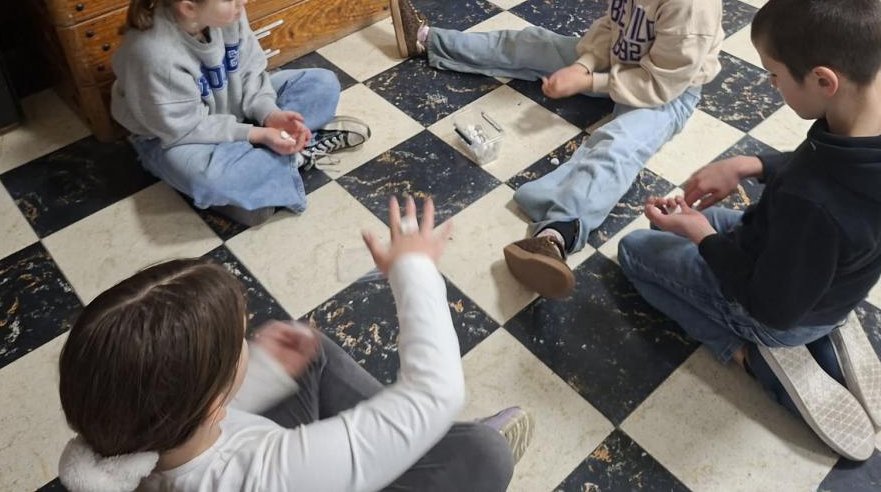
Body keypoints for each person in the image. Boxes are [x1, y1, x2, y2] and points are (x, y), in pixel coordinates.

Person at [617, 0, 881, 461]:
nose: (771, 85)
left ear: (823, 80)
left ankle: (753, 356)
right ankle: (830, 323)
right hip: (838, 275)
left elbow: (769, 303)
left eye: (774, 76)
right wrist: (752, 164)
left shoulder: (813, 201)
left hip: (780, 309)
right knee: (701, 229)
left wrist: (701, 234)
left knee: (635, 249)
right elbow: (834, 168)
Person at [389, 0, 725, 298]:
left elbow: (661, 84)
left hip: (667, 92)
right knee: (530, 43)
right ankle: (426, 41)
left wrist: (589, 83)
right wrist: (585, 64)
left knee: (615, 147)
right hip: (623, 58)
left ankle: (555, 237)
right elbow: (614, 23)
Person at [55, 195, 533, 492]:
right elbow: (435, 393)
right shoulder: (268, 476)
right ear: (214, 404)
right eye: (239, 339)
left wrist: (263, 371)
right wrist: (414, 268)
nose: (249, 333)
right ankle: (434, 444)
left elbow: (197, 415)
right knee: (486, 456)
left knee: (306, 353)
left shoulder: (129, 441)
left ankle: (420, 441)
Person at [110, 0, 369, 226]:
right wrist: (258, 134)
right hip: (174, 137)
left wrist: (270, 114)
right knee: (210, 180)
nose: (243, 0)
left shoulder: (228, 15)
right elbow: (184, 128)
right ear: (189, 8)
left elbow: (251, 71)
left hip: (231, 111)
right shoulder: (153, 55)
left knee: (322, 83)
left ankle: (266, 174)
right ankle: (291, 157)